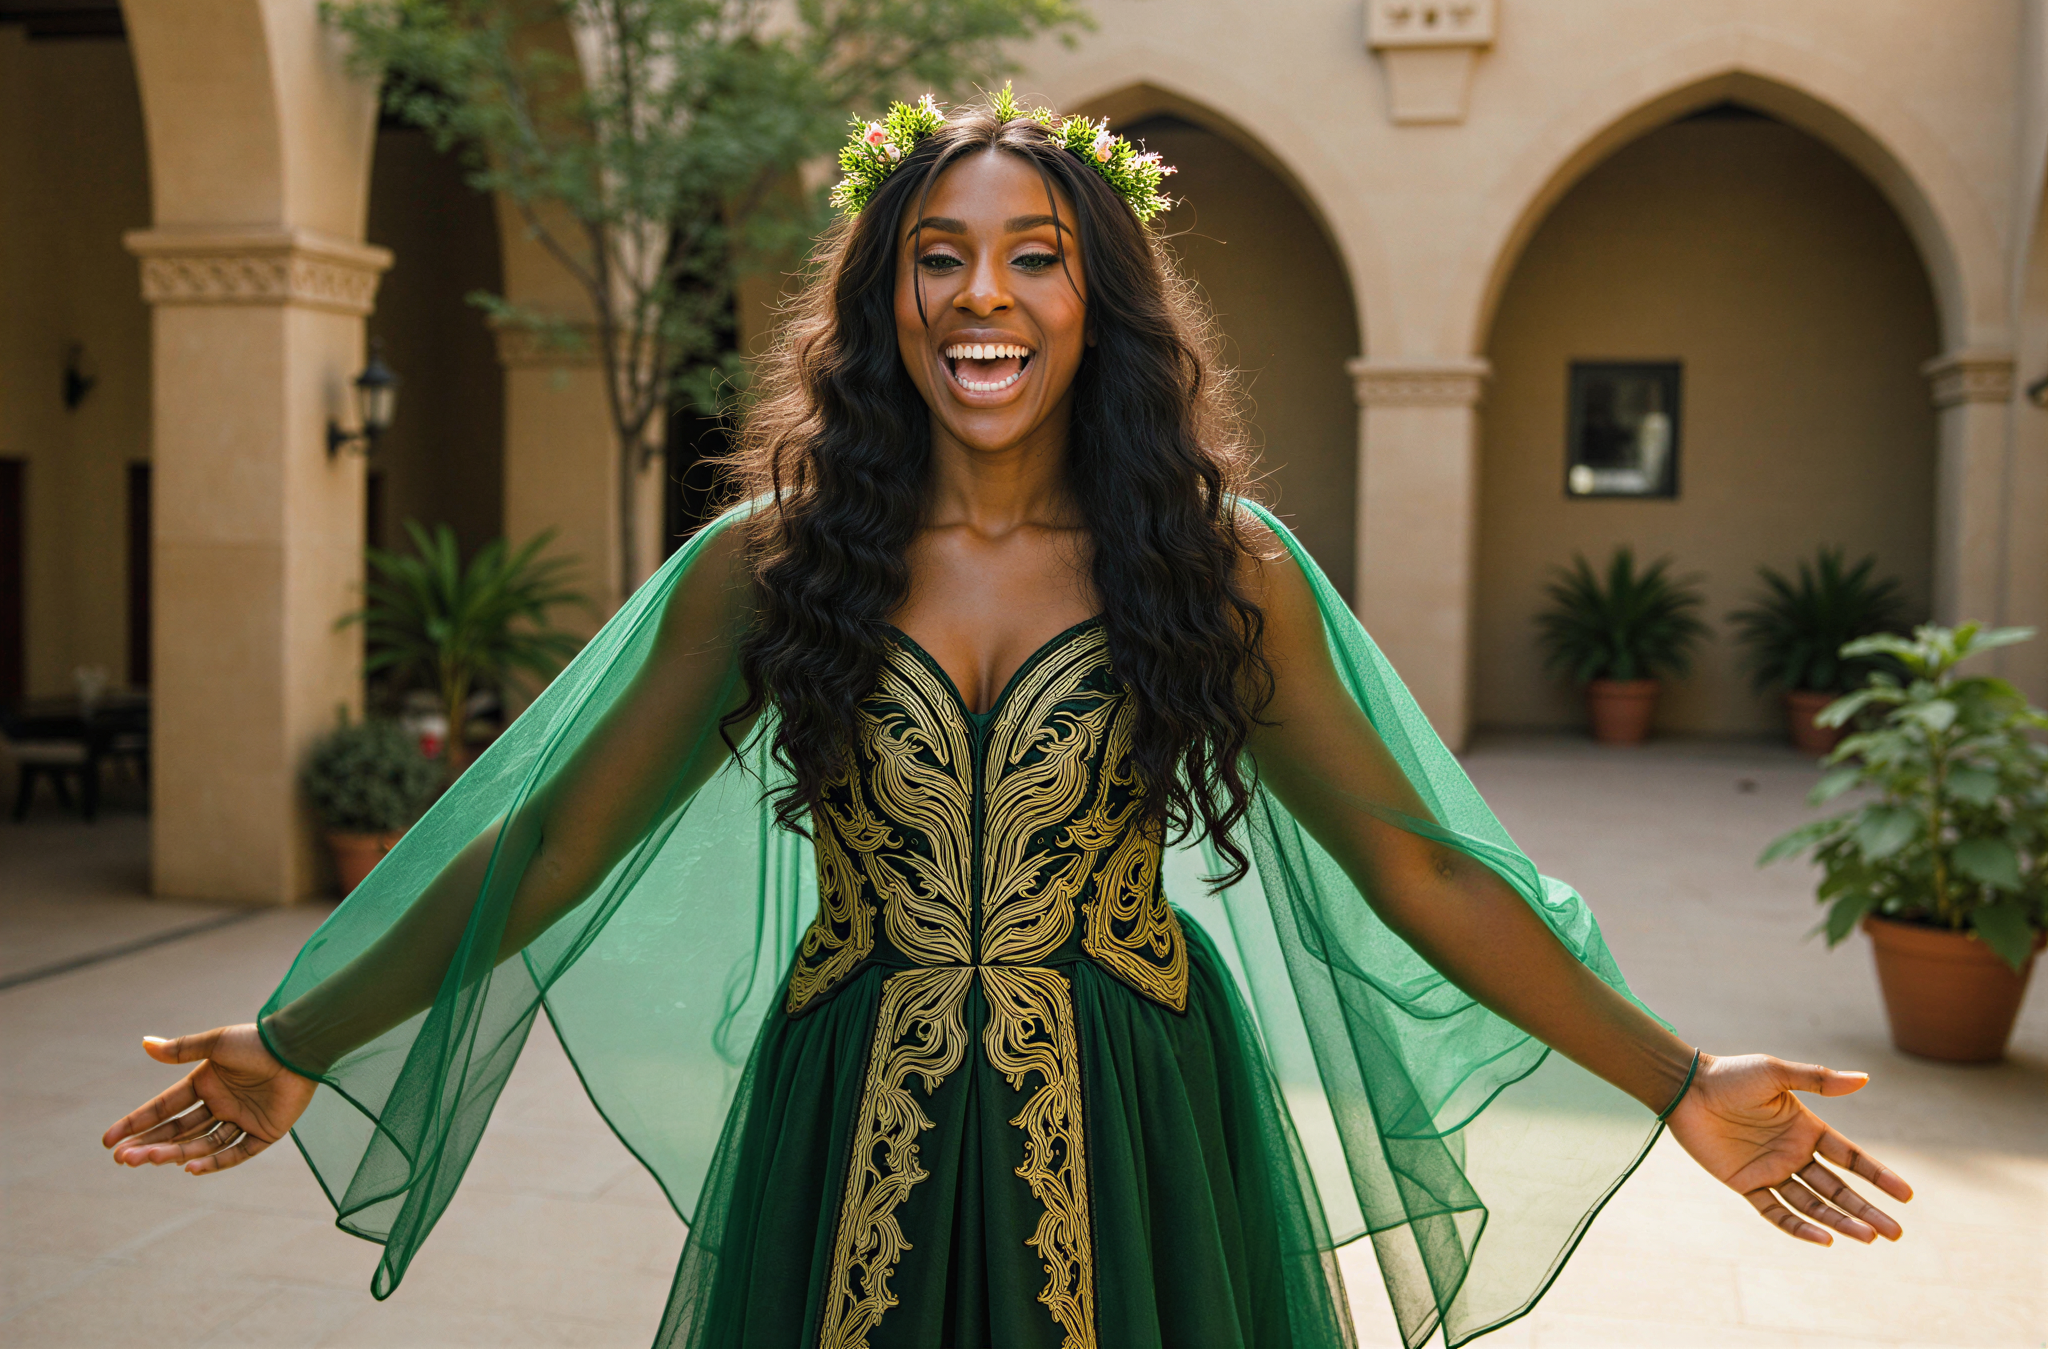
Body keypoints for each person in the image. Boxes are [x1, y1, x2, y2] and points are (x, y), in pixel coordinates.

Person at [104, 89, 1910, 1349]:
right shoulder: (774, 565)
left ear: (1094, 300)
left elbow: (1425, 880)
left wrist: (1675, 1079)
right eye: (939, 258)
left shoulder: (1218, 565)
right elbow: (555, 833)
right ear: (884, 299)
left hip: (1135, 1112)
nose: (984, 295)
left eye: (1034, 255)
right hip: (846, 1111)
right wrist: (307, 1031)